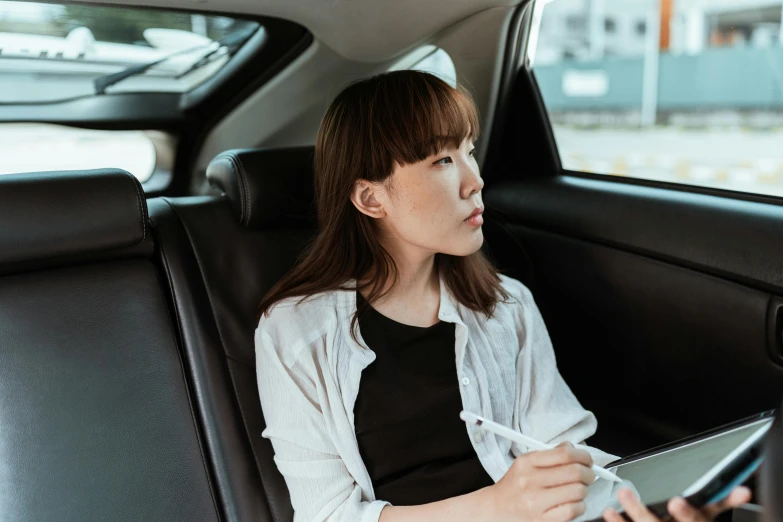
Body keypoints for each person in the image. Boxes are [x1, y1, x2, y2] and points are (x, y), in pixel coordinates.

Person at [254, 70, 750, 522]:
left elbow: (562, 451)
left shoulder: (506, 304)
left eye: (470, 150)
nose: (475, 180)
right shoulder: (296, 332)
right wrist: (495, 507)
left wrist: (645, 504)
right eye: (443, 159)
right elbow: (326, 515)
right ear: (370, 198)